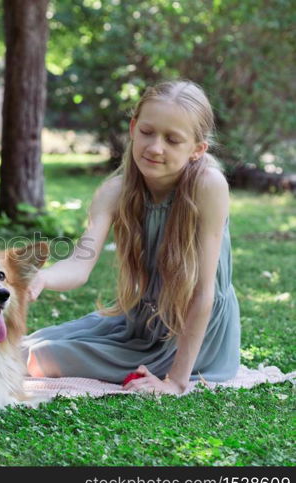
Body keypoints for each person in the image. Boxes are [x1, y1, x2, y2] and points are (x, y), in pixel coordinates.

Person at [23, 80, 240, 395]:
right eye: (148, 132)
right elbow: (79, 266)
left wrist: (176, 382)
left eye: (173, 140)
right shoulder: (116, 190)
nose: (155, 147)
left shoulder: (209, 186)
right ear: (133, 127)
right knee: (35, 341)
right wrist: (42, 277)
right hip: (144, 319)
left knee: (38, 358)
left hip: (194, 333)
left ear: (197, 149)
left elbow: (204, 292)